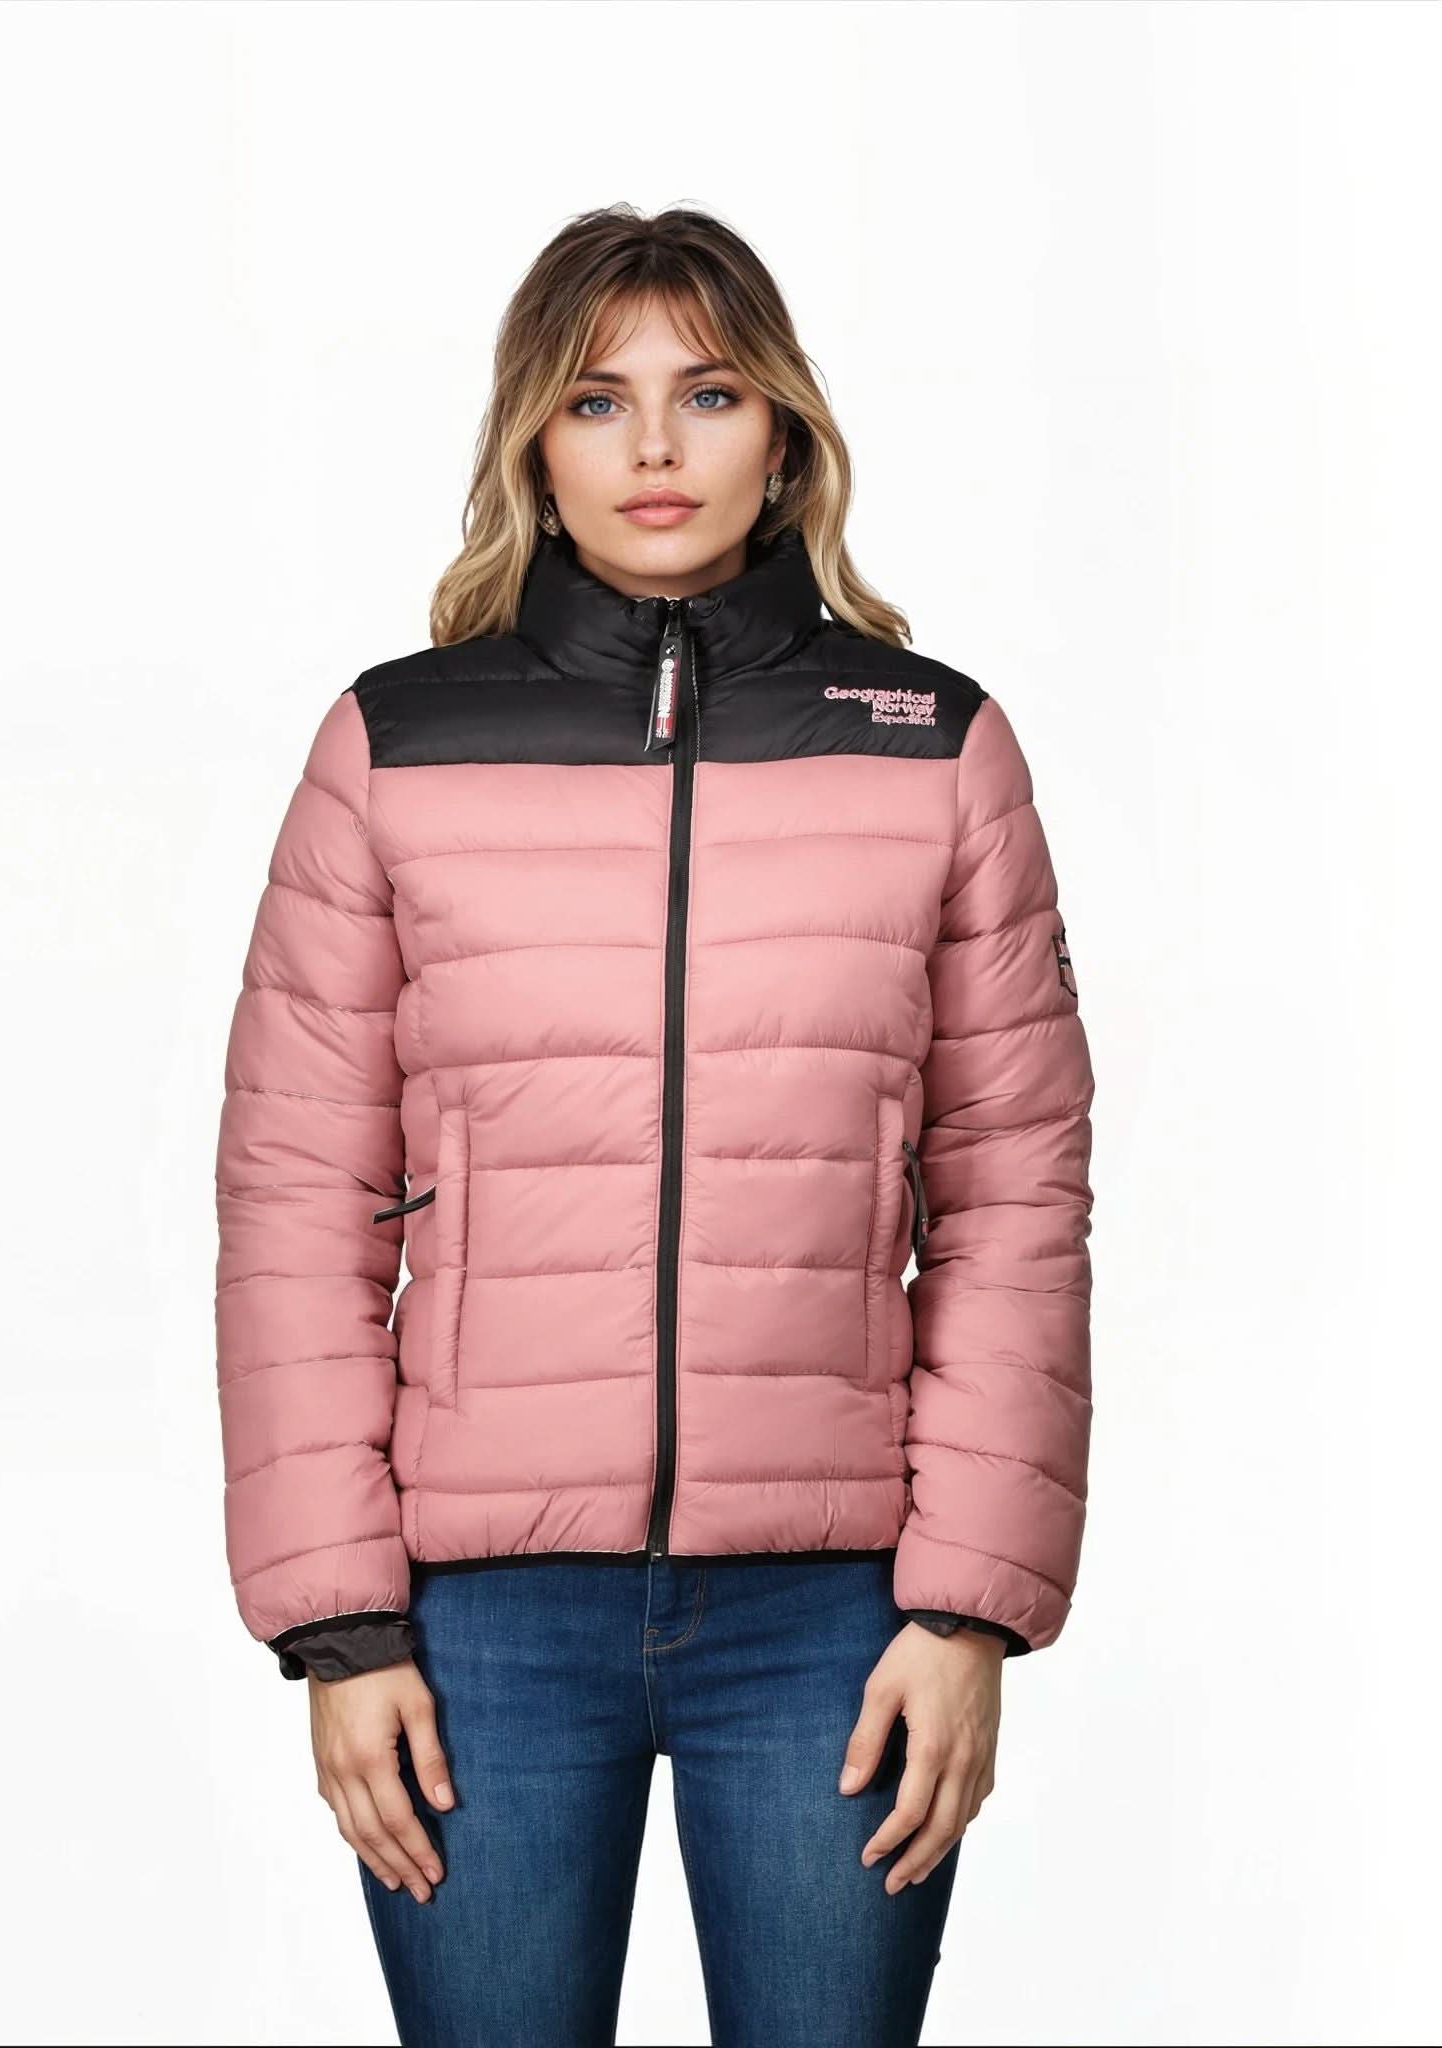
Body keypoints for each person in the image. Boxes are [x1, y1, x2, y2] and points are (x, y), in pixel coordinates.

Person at [213, 202, 1095, 2048]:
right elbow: (299, 1195)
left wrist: (967, 1613)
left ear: (781, 431)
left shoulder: (933, 749)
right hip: (477, 1624)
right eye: (597, 402)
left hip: (841, 1615)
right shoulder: (395, 747)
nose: (656, 447)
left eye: (707, 393)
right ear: (534, 445)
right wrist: (340, 1624)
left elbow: (1016, 1192)